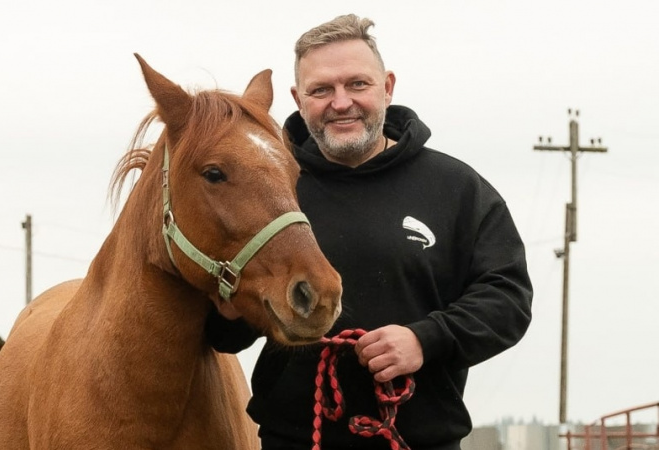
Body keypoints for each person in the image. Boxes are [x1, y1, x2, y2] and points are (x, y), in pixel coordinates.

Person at [205, 13, 533, 450]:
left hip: (419, 440)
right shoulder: (268, 190)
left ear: (388, 87)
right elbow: (228, 332)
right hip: (297, 439)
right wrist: (225, 309)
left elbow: (508, 298)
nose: (341, 103)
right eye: (321, 89)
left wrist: (426, 338)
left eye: (357, 84)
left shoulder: (455, 188)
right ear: (297, 99)